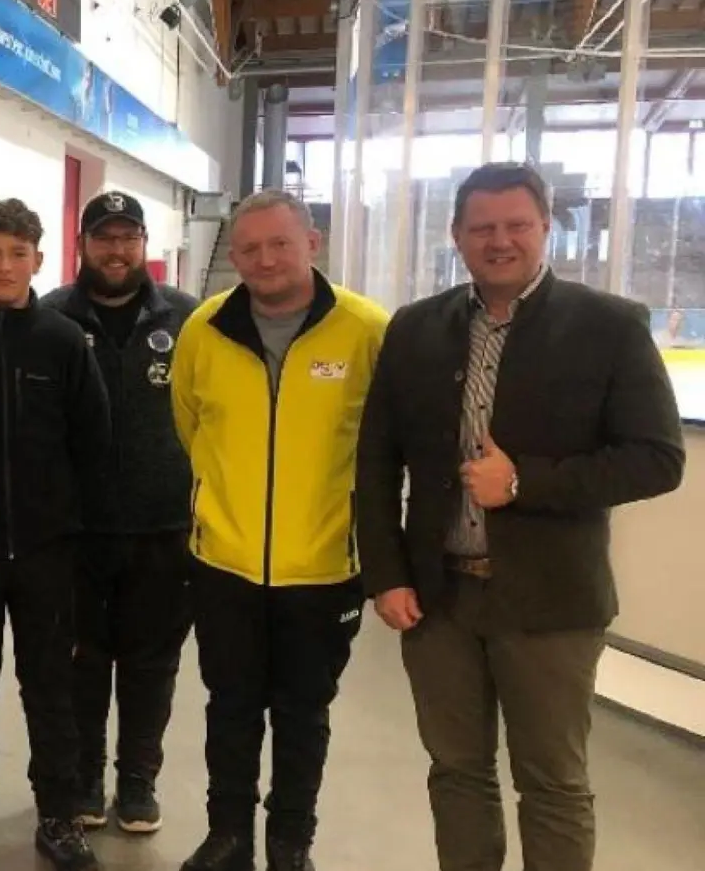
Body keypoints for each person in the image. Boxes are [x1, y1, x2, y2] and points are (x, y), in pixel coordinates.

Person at [356, 163, 686, 871]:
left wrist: (525, 482)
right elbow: (376, 463)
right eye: (482, 228)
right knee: (457, 771)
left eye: (516, 226)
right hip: (439, 601)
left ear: (544, 229)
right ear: (457, 236)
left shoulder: (610, 327)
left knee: (553, 783)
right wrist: (386, 575)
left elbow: (658, 458)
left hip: (552, 604)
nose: (499, 241)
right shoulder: (416, 329)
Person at [170, 189, 387, 871]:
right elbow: (189, 425)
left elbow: (390, 445)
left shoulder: (366, 330)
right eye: (250, 248)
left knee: (302, 714)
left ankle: (291, 841)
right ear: (233, 256)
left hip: (323, 569)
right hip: (224, 566)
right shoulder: (203, 329)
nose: (264, 259)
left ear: (312, 244)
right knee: (229, 708)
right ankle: (227, 834)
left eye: (280, 244)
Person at [0, 199, 110, 871]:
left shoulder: (64, 341)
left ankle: (59, 815)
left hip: (48, 553)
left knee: (50, 689)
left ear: (39, 259)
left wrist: (79, 541)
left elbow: (94, 448)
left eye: (18, 253)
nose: (5, 266)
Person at [39, 191, 197, 833]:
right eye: (104, 237)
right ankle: (83, 779)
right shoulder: (48, 317)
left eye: (128, 236)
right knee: (80, 662)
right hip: (75, 532)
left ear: (144, 245)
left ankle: (138, 781)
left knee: (150, 665)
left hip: (163, 529)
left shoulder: (190, 320)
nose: (116, 248)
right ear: (82, 244)